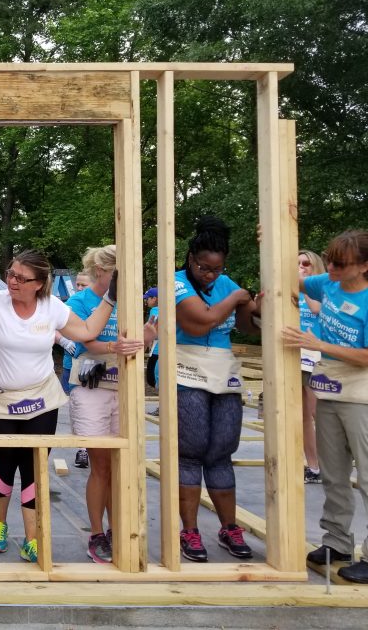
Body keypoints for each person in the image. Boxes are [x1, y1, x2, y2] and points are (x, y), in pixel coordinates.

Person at [0, 249, 120, 562]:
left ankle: (33, 537)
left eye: (22, 278)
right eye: (11, 273)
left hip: (41, 401)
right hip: (0, 400)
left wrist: (111, 298)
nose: (13, 281)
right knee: (3, 466)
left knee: (33, 469)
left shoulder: (52, 308)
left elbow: (88, 331)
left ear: (40, 284)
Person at [169, 216, 260, 563]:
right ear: (191, 258)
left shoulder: (227, 284)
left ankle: (229, 527)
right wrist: (238, 296)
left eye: (217, 269)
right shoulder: (176, 283)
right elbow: (199, 321)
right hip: (185, 370)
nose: (210, 275)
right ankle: (189, 531)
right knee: (191, 450)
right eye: (204, 267)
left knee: (222, 450)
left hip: (223, 373)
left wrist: (258, 303)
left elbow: (250, 327)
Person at [283, 230, 368, 583]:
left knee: (367, 477)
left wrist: (317, 344)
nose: (330, 266)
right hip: (330, 389)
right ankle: (337, 542)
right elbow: (289, 276)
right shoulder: (328, 284)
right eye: (329, 259)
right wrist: (270, 239)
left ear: (364, 266)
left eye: (340, 263)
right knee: (333, 474)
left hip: (361, 395)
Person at [66, 245, 148, 564]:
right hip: (92, 388)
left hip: (121, 387)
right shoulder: (80, 301)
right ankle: (97, 533)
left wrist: (148, 335)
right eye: (119, 274)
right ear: (102, 271)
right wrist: (115, 345)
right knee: (100, 465)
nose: (123, 280)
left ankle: (117, 529)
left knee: (118, 465)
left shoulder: (130, 300)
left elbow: (136, 337)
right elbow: (88, 340)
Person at [297, 249, 325, 484]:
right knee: (303, 416)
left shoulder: (322, 288)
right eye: (297, 264)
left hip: (317, 357)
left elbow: (316, 309)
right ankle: (313, 467)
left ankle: (331, 464)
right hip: (296, 356)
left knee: (320, 414)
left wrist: (304, 284)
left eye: (306, 263)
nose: (301, 267)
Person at [59, 270, 91, 468]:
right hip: (70, 365)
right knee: (77, 407)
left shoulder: (98, 305)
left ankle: (87, 449)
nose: (79, 288)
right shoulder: (70, 304)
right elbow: (52, 325)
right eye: (77, 284)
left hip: (93, 365)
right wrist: (63, 341)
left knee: (91, 407)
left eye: (83, 285)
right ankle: (82, 447)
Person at [144, 287, 160, 389]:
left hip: (157, 350)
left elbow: (152, 328)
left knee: (151, 378)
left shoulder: (155, 310)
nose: (146, 301)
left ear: (154, 298)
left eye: (147, 298)